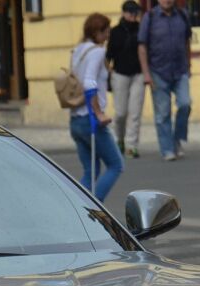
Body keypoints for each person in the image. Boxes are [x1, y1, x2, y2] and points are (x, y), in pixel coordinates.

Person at [69, 13, 123, 201]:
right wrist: (98, 113)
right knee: (116, 165)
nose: (108, 35)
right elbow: (89, 83)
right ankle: (92, 211)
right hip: (89, 119)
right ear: (97, 32)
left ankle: (76, 207)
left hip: (75, 119)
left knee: (90, 171)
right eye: (106, 31)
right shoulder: (98, 52)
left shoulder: (77, 50)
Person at [138, 0, 191, 161]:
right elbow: (142, 46)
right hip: (158, 72)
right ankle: (167, 149)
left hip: (180, 70)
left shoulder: (182, 15)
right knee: (162, 113)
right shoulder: (150, 17)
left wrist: (189, 65)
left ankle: (177, 140)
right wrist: (146, 73)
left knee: (185, 104)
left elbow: (187, 41)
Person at [107, 1, 145, 159]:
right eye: (129, 12)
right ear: (123, 13)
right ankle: (119, 139)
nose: (132, 15)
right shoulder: (115, 32)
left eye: (135, 12)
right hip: (120, 74)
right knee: (121, 112)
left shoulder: (141, 29)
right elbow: (108, 56)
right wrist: (108, 75)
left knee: (135, 111)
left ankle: (132, 145)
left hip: (138, 74)